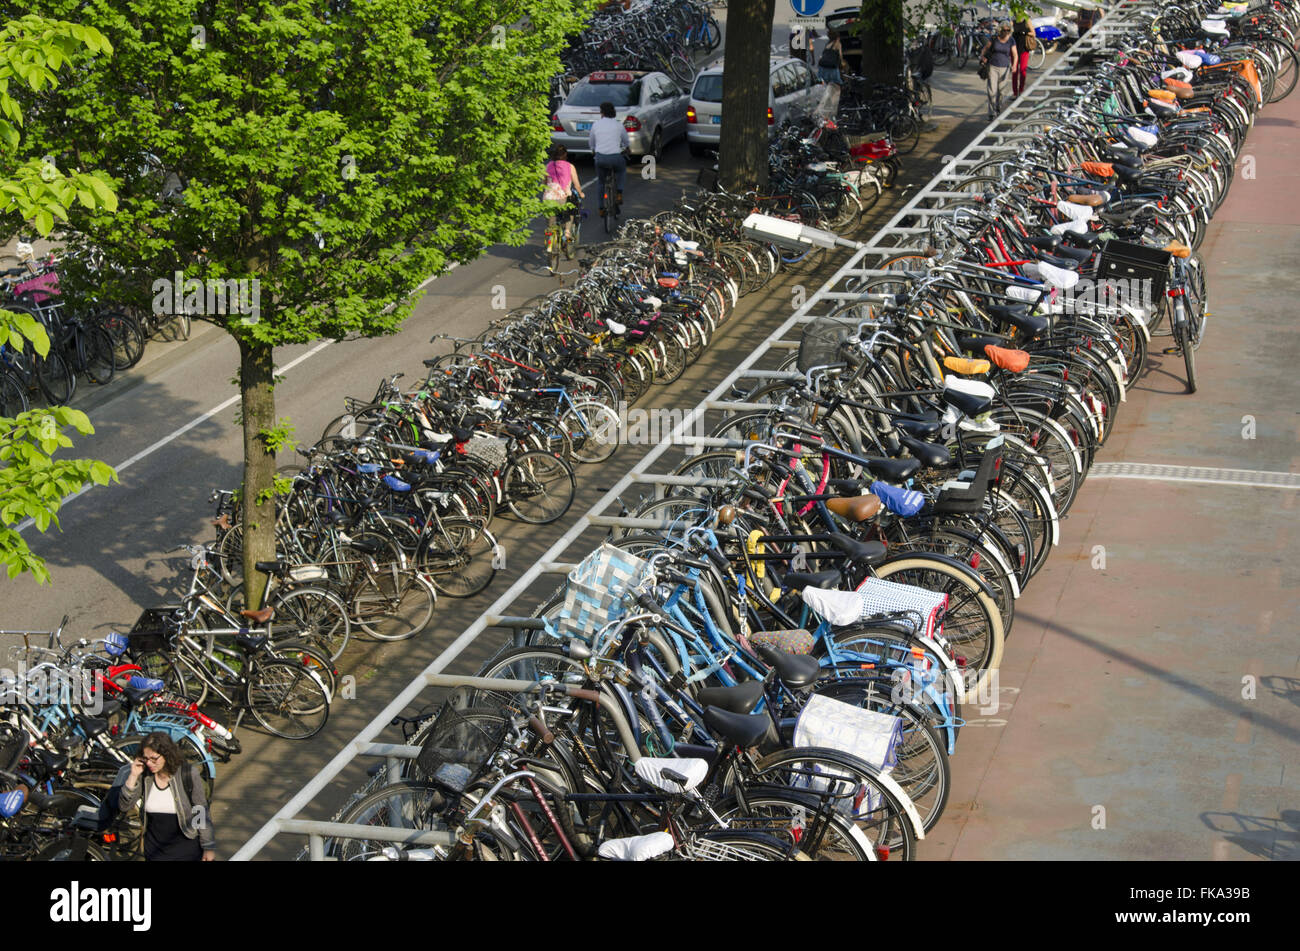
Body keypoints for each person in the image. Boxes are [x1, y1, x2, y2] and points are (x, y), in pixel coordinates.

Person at [114, 732, 216, 861]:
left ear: (167, 754)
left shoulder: (188, 774)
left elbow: (200, 811)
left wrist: (208, 847)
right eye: (146, 758)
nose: (149, 763)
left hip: (186, 851)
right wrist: (133, 776)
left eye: (154, 758)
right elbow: (124, 806)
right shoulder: (145, 777)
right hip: (154, 851)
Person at [588, 101, 629, 217]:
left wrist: (593, 149)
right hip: (616, 158)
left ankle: (601, 208)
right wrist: (627, 148)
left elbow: (591, 142)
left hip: (600, 158)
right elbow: (626, 141)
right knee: (621, 170)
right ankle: (619, 192)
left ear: (602, 113)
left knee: (601, 182)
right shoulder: (618, 125)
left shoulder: (596, 125)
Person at [543, 144, 585, 253]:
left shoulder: (548, 166)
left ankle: (549, 235)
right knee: (570, 211)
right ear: (565, 155)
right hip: (562, 197)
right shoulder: (570, 166)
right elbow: (577, 185)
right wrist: (581, 193)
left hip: (548, 198)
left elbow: (544, 182)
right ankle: (567, 233)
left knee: (551, 221)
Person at [980, 21, 1017, 120]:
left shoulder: (1011, 40)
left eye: (1008, 30)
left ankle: (998, 108)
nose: (1006, 32)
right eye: (1004, 30)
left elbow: (1015, 54)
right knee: (992, 91)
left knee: (1001, 91)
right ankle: (991, 113)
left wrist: (1014, 66)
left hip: (1005, 67)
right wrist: (982, 56)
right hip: (993, 66)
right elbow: (985, 48)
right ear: (1000, 30)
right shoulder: (994, 39)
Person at [1011, 19, 1032, 97]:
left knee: (1023, 70)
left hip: (1024, 49)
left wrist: (1025, 33)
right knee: (1014, 71)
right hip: (1014, 49)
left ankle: (1021, 90)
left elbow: (1033, 33)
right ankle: (1015, 92)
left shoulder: (1027, 21)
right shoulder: (1012, 21)